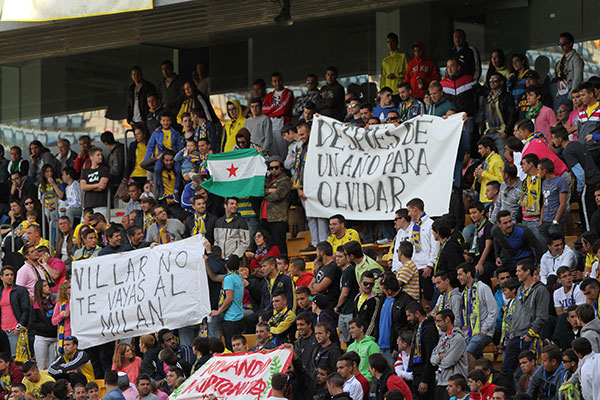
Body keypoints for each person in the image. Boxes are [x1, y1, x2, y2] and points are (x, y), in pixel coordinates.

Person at [502, 259, 550, 381]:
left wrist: (530, 334)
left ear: (528, 271)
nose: (516, 273)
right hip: (515, 336)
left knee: (523, 374)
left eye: (519, 271)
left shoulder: (540, 290)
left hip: (530, 337)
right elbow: (516, 313)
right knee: (506, 370)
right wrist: (512, 330)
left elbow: (542, 316)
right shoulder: (520, 290)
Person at [551, 124, 600, 230]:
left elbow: (580, 173)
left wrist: (579, 188)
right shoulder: (578, 144)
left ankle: (589, 238)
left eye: (553, 138)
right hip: (597, 179)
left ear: (560, 139)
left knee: (587, 214)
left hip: (589, 183)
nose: (552, 141)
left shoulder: (567, 151)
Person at [456, 263, 498, 370]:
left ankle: (471, 380)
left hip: (484, 333)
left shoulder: (483, 288)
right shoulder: (463, 293)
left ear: (469, 274)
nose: (458, 278)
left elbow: (493, 310)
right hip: (469, 334)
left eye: (460, 274)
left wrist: (484, 329)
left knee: (468, 353)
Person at [203, 252, 244, 350]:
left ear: (226, 265)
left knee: (232, 348)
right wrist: (206, 263)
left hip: (232, 319)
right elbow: (213, 277)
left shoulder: (229, 279)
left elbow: (229, 298)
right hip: (239, 317)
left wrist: (219, 311)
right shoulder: (238, 277)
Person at [377, 272, 414, 365]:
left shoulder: (405, 301)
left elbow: (406, 326)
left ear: (389, 291)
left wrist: (397, 347)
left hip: (394, 348)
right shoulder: (383, 299)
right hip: (381, 344)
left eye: (383, 288)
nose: (380, 289)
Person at [431, 309, 468, 400]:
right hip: (440, 381)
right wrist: (440, 356)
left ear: (447, 319)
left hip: (454, 385)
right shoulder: (442, 338)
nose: (437, 325)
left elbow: (448, 362)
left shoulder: (458, 338)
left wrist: (439, 360)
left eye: (439, 321)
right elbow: (432, 360)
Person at [407, 198, 439, 301]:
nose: (408, 214)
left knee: (428, 297)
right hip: (415, 267)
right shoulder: (413, 226)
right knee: (416, 298)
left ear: (415, 209)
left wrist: (430, 264)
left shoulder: (430, 224)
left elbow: (435, 246)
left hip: (426, 267)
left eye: (409, 210)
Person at [406, 302, 438, 400]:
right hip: (417, 374)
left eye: (409, 315)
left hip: (425, 377)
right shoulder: (418, 327)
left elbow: (430, 356)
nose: (408, 319)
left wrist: (425, 380)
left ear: (417, 313)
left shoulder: (429, 329)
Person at [260, 157, 290, 256]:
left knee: (279, 244)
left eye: (276, 167)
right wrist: (270, 190)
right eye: (271, 168)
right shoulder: (267, 179)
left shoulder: (285, 180)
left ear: (281, 168)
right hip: (265, 218)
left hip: (278, 218)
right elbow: (260, 191)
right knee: (269, 245)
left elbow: (278, 195)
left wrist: (267, 191)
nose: (273, 170)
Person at [482, 72, 517, 156]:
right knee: (487, 158)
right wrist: (483, 132)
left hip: (501, 132)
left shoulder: (507, 97)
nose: (492, 82)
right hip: (488, 131)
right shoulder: (487, 98)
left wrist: (506, 131)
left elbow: (512, 115)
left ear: (501, 82)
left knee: (503, 157)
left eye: (495, 80)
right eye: (490, 80)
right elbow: (484, 116)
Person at [0, 265, 30, 356]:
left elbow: (26, 310)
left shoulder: (20, 290)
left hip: (15, 331)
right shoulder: (0, 291)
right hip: (2, 332)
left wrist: (19, 327)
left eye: (12, 275)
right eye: (7, 275)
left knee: (17, 360)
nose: (10, 277)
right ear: (1, 277)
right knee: (3, 360)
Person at [262, 72, 294, 157]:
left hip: (283, 125)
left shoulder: (288, 92)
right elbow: (263, 109)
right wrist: (275, 107)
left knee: (284, 151)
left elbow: (284, 108)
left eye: (279, 80)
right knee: (273, 151)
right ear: (272, 83)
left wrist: (270, 112)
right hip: (271, 126)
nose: (277, 83)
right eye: (274, 81)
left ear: (282, 81)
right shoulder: (269, 95)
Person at [538, 158, 568, 243]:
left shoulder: (560, 181)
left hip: (555, 221)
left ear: (545, 171)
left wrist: (555, 221)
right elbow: (544, 202)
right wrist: (541, 221)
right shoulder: (544, 182)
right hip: (545, 221)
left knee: (558, 247)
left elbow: (562, 204)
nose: (538, 172)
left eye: (539, 169)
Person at [30, 280, 58, 370]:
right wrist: (44, 328)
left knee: (52, 365)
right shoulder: (36, 305)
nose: (48, 287)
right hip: (42, 338)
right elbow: (32, 323)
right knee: (41, 365)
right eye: (45, 286)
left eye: (48, 285)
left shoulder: (53, 302)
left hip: (54, 337)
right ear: (39, 289)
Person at [334, 248, 359, 344]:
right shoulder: (344, 271)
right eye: (336, 256)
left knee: (350, 341)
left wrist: (337, 306)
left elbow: (345, 293)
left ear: (347, 258)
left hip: (349, 310)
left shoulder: (349, 271)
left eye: (340, 256)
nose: (337, 259)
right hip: (345, 310)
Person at [467, 202, 495, 284]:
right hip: (476, 260)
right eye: (471, 213)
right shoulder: (476, 227)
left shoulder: (488, 226)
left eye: (474, 213)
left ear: (482, 212)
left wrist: (480, 263)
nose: (472, 216)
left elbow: (488, 246)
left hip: (487, 261)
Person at [308, 242, 341, 311]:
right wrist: (320, 289)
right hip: (320, 304)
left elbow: (320, 287)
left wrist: (316, 287)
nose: (316, 254)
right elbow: (309, 288)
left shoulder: (333, 267)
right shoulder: (322, 267)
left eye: (317, 251)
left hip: (330, 305)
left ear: (322, 253)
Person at [79, 147, 109, 218]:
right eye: (98, 155)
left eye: (101, 155)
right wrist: (97, 185)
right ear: (91, 157)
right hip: (87, 206)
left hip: (101, 204)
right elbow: (83, 187)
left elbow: (102, 186)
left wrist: (88, 187)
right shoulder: (85, 171)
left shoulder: (104, 169)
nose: (101, 157)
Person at [473, 137, 504, 205]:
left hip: (492, 199)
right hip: (484, 198)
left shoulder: (497, 160)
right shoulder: (486, 161)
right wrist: (478, 175)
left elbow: (501, 180)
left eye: (480, 148)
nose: (479, 151)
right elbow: (484, 180)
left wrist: (483, 173)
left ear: (487, 148)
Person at [556, 32, 584, 103]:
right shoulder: (561, 59)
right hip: (560, 93)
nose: (561, 46)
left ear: (570, 44)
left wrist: (571, 94)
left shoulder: (576, 59)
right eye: (560, 44)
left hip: (569, 94)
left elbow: (577, 78)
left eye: (563, 44)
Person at [576, 82, 600, 167]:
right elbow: (579, 132)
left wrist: (594, 137)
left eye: (583, 95)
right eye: (580, 96)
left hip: (596, 152)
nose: (581, 98)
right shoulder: (582, 111)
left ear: (591, 94)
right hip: (583, 152)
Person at [354, 271, 381, 338]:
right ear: (360, 283)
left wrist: (365, 338)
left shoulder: (375, 300)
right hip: (357, 337)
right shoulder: (357, 297)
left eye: (371, 284)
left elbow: (373, 322)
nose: (368, 286)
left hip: (367, 338)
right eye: (365, 283)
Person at [294, 312, 319, 377]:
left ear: (309, 324)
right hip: (300, 378)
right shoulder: (297, 343)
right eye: (298, 325)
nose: (299, 327)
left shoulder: (317, 341)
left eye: (302, 324)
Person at [51, 281, 71, 354]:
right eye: (70, 287)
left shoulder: (77, 301)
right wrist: (62, 315)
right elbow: (53, 321)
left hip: (78, 332)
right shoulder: (60, 304)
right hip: (66, 334)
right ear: (65, 290)